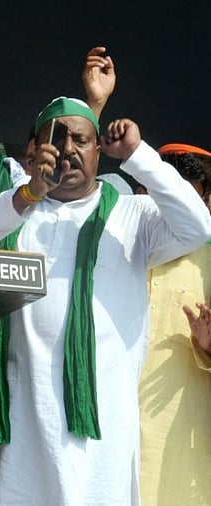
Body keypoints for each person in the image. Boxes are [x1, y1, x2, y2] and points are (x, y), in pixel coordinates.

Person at [0, 97, 211, 504]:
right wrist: (29, 194)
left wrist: (137, 156)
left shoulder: (132, 215)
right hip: (24, 411)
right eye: (57, 138)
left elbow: (197, 227)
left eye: (81, 139)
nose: (69, 148)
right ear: (35, 148)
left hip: (101, 418)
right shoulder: (16, 212)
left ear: (97, 151)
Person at [138, 142, 211, 506]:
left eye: (194, 202)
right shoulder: (122, 243)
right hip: (116, 428)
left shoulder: (207, 261)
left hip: (181, 449)